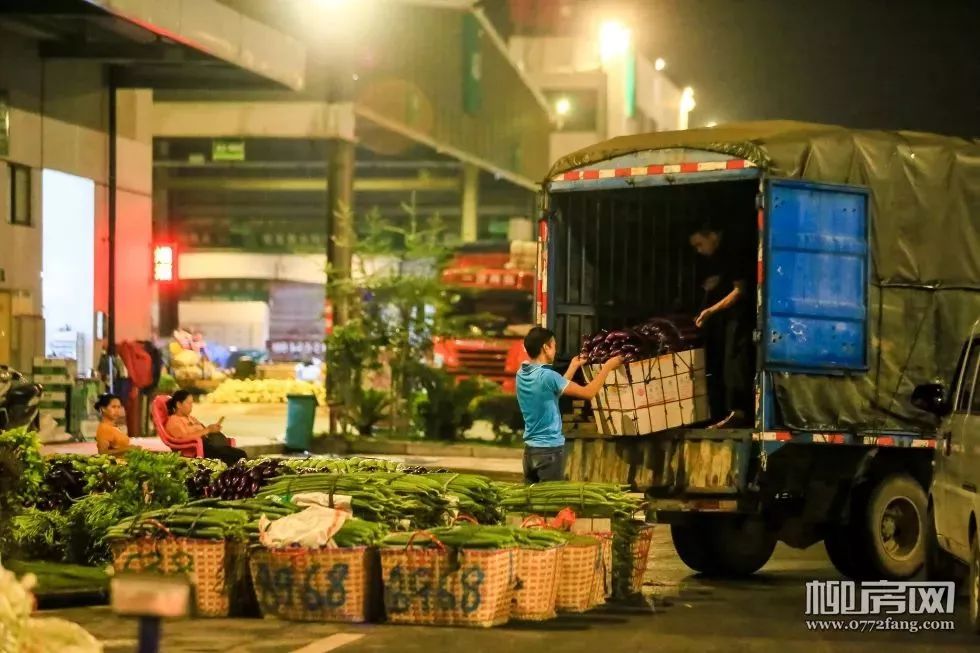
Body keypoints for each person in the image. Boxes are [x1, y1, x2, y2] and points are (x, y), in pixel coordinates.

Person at [516, 327, 623, 484]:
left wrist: (573, 366)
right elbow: (588, 393)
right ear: (546, 347)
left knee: (532, 502)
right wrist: (607, 367)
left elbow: (552, 391)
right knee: (548, 504)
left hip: (530, 452)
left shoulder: (522, 373)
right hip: (549, 451)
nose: (555, 350)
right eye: (554, 345)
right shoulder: (548, 376)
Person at [689, 223, 756, 428]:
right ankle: (731, 412)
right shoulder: (722, 255)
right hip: (731, 319)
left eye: (700, 244)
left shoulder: (734, 251)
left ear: (712, 235)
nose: (699, 251)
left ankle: (740, 412)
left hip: (742, 319)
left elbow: (740, 290)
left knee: (735, 364)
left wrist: (710, 311)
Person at [165, 390, 247, 465]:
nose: (191, 406)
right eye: (188, 403)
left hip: (212, 445)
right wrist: (208, 430)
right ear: (178, 404)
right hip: (199, 449)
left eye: (192, 403)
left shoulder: (191, 418)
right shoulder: (174, 421)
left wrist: (212, 429)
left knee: (239, 454)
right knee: (239, 455)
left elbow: (203, 430)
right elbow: (183, 438)